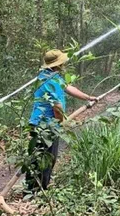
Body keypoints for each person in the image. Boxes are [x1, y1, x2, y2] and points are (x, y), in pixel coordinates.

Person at [25, 49, 97, 193]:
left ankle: (36, 189)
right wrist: (59, 123)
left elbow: (69, 88)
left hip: (43, 123)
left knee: (42, 156)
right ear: (59, 64)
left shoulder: (49, 76)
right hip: (45, 125)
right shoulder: (50, 81)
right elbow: (57, 106)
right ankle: (35, 191)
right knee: (44, 157)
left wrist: (88, 97)